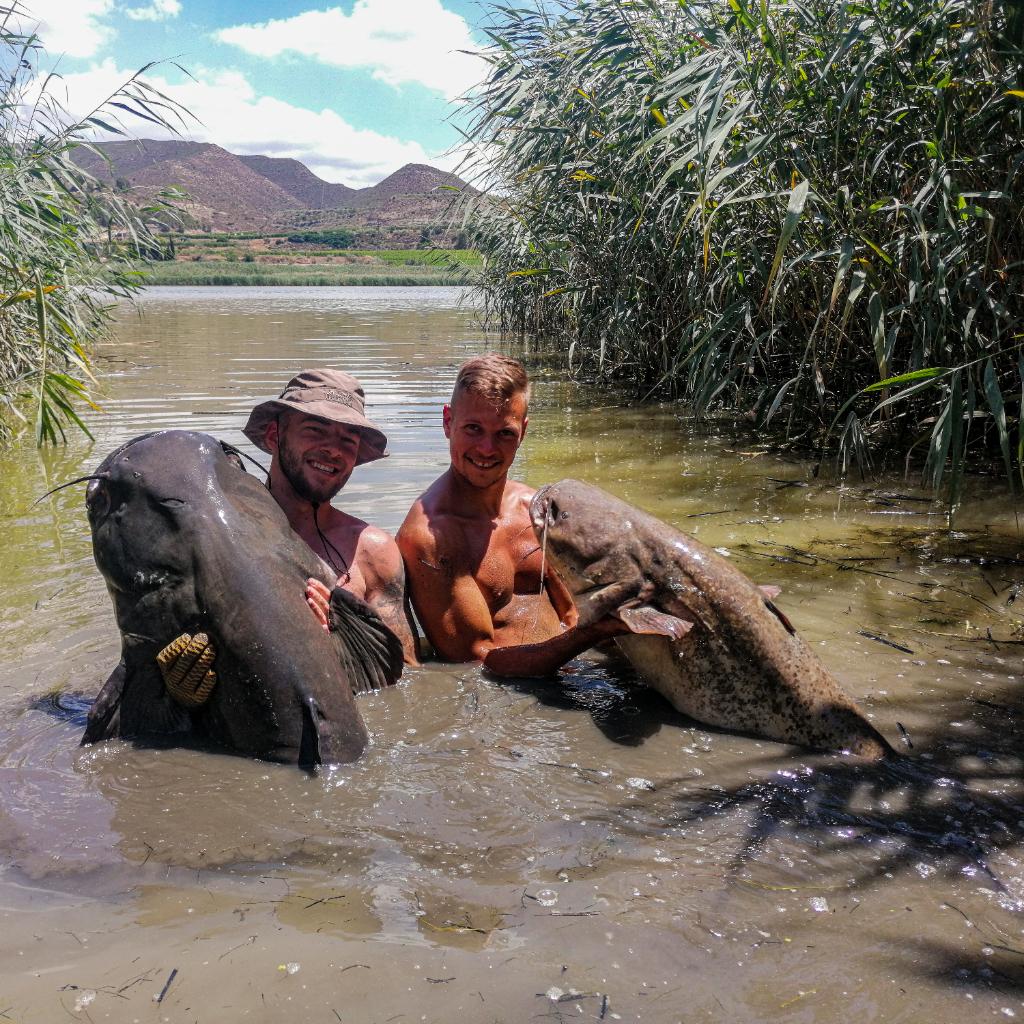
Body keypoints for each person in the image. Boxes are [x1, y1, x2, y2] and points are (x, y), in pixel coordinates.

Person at [397, 354, 622, 675]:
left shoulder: (536, 508)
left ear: (523, 431)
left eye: (504, 433)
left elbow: (572, 614)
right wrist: (591, 635)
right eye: (473, 429)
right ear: (448, 422)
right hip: (506, 693)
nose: (487, 449)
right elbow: (477, 660)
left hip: (576, 671)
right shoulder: (429, 538)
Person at [242, 368, 419, 665]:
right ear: (274, 436)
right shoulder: (226, 533)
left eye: (348, 440)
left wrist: (338, 642)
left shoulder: (372, 552)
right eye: (315, 430)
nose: (333, 450)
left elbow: (406, 674)